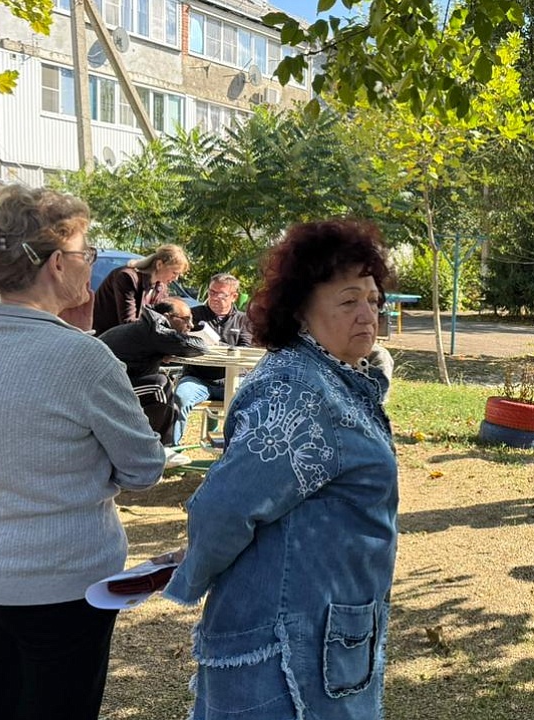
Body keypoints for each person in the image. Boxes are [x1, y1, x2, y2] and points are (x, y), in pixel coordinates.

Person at [0, 185, 165, 720]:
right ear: (58, 263)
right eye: (87, 253)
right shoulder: (84, 358)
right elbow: (144, 467)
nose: (90, 266)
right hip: (60, 581)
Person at [164, 220, 398, 720]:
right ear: (300, 310)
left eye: (374, 301)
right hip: (291, 643)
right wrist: (190, 572)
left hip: (321, 628)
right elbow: (227, 506)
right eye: (348, 300)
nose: (367, 314)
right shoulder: (299, 389)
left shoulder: (331, 377)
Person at [99, 299, 208, 455]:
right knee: (160, 386)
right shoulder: (156, 331)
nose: (191, 325)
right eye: (186, 319)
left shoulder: (148, 327)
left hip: (118, 381)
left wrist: (161, 351)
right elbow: (198, 346)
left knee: (167, 396)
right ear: (167, 317)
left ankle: (160, 447)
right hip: (105, 388)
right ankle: (158, 449)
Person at [171, 273, 254, 446]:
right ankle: (170, 448)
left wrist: (218, 346)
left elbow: (245, 352)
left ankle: (238, 451)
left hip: (232, 382)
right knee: (180, 398)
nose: (215, 298)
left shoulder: (243, 320)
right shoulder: (192, 315)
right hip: (198, 379)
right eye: (211, 292)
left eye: (221, 294)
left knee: (255, 404)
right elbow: (179, 344)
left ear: (234, 296)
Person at [92, 244, 188, 335]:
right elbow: (127, 323)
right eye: (175, 273)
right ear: (159, 264)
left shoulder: (161, 288)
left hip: (127, 341)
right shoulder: (126, 277)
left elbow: (159, 319)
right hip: (103, 340)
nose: (176, 278)